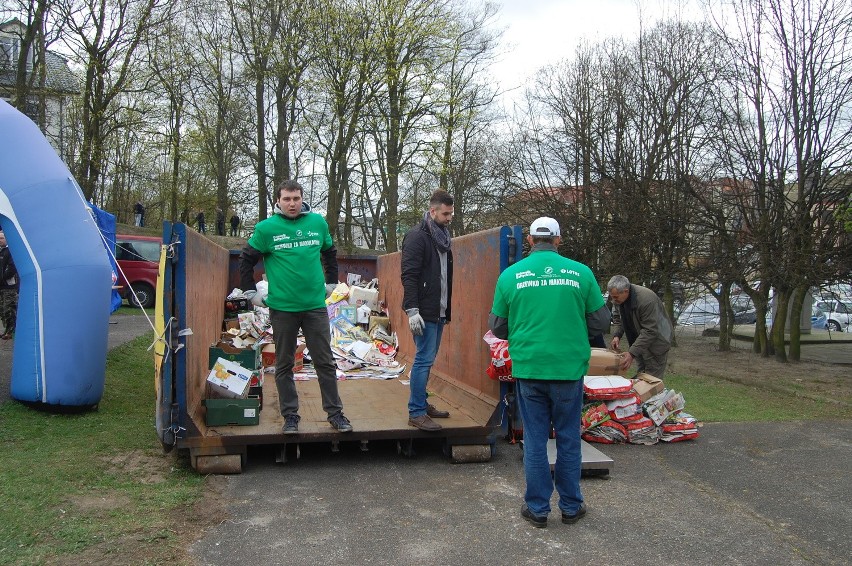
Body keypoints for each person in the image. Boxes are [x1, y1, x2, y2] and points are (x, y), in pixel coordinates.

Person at [489, 217, 609, 529]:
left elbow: (498, 326)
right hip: (568, 370)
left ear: (529, 240)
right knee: (569, 439)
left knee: (535, 439)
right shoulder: (581, 273)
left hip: (530, 369)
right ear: (558, 239)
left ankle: (537, 509)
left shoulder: (511, 276)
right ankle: (571, 507)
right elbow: (599, 323)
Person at [238, 180, 352, 434]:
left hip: (314, 306)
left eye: (296, 198)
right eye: (287, 199)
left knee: (324, 362)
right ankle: (290, 416)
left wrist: (331, 283)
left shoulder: (317, 223)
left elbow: (330, 252)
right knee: (285, 364)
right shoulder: (266, 229)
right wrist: (250, 293)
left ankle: (335, 414)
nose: (292, 203)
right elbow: (246, 260)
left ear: (302, 199)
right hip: (283, 309)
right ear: (278, 201)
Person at [401, 189, 455, 431]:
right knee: (423, 359)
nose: (449, 217)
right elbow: (409, 275)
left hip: (439, 308)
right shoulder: (417, 237)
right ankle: (417, 412)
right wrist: (412, 310)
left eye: (451, 213)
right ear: (432, 211)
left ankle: (422, 402)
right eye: (445, 213)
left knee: (428, 358)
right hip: (423, 311)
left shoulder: (442, 236)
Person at [607, 274, 673, 377]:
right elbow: (618, 318)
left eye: (615, 297)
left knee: (651, 379)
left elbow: (650, 331)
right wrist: (617, 335)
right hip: (639, 341)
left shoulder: (646, 300)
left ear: (625, 291)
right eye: (612, 297)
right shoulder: (618, 298)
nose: (614, 300)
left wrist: (631, 353)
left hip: (656, 343)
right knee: (641, 375)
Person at [0, 231, 19, 340]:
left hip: (9, 286)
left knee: (9, 309)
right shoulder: (1, 251)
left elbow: (12, 268)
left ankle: (11, 332)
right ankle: (6, 330)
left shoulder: (11, 251)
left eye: (1, 238)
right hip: (1, 286)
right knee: (2, 310)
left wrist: (2, 278)